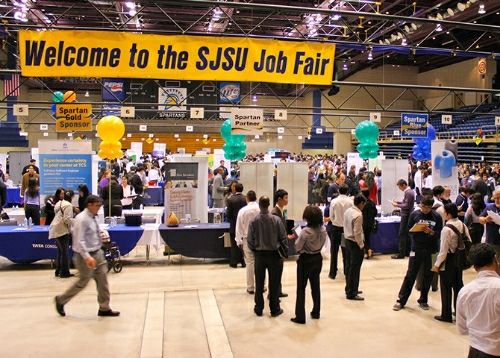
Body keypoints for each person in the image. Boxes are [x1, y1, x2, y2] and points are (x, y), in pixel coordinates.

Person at [54, 195, 120, 318]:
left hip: (97, 253)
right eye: (97, 205)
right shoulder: (81, 219)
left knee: (102, 281)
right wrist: (87, 257)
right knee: (82, 282)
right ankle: (61, 300)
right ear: (89, 205)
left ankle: (104, 308)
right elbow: (79, 241)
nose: (99, 208)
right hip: (84, 256)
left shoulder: (93, 217)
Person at [393, 196, 443, 312]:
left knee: (428, 275)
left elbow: (440, 233)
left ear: (431, 207)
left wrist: (431, 232)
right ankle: (401, 300)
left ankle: (423, 299)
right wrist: (417, 231)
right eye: (423, 206)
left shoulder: (436, 216)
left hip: (431, 249)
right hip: (416, 248)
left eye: (427, 207)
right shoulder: (415, 215)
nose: (425, 209)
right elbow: (408, 229)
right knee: (410, 274)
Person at [456, 243, 500, 358]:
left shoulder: (465, 292)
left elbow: (462, 329)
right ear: (495, 259)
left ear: (474, 267)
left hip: (475, 351)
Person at [247, 196, 287, 318]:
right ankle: (274, 309)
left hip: (259, 255)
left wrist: (255, 251)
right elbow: (283, 237)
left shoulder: (253, 221)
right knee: (274, 283)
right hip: (274, 255)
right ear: (269, 204)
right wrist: (284, 251)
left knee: (259, 283)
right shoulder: (276, 220)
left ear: (259, 205)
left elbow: (250, 241)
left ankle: (259, 308)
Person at [432, 203, 471, 323]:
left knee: (446, 288)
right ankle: (459, 313)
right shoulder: (462, 225)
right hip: (459, 260)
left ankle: (446, 315)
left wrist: (437, 265)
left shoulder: (446, 229)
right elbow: (469, 240)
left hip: (448, 260)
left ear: (448, 214)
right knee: (458, 287)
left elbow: (443, 251)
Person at [291, 205, 327, 324]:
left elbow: (297, 247)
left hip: (305, 260)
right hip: (317, 258)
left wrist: (296, 237)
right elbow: (322, 244)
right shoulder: (323, 230)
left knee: (301, 288)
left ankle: (300, 316)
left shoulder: (305, 232)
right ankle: (316, 312)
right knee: (315, 286)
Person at [235, 190, 261, 294]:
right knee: (261, 263)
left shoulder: (242, 211)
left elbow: (239, 227)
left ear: (247, 198)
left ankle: (250, 287)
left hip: (247, 239)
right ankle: (263, 286)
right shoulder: (261, 209)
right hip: (260, 239)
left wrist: (238, 240)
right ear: (256, 198)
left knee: (250, 263)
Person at [343, 194, 366, 301]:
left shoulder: (348, 211)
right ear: (361, 203)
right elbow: (357, 233)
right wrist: (361, 245)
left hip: (347, 241)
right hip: (355, 243)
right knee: (355, 269)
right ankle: (352, 292)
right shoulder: (358, 215)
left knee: (349, 267)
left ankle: (350, 288)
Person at [271, 189, 293, 298]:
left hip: (280, 245)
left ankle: (277, 291)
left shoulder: (281, 211)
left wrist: (287, 235)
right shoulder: (275, 213)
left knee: (278, 272)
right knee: (276, 272)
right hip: (277, 248)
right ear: (279, 199)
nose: (287, 200)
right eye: (285, 198)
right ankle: (273, 293)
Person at [328, 184, 353, 279]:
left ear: (339, 191)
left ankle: (332, 273)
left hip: (336, 228)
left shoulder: (334, 201)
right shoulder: (351, 201)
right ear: (347, 191)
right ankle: (347, 272)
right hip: (346, 229)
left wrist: (335, 222)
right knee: (346, 252)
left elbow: (331, 216)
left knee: (334, 252)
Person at [49, 189, 75, 278]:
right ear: (71, 197)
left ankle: (58, 270)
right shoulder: (68, 205)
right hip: (62, 230)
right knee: (65, 253)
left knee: (60, 252)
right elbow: (67, 219)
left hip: (55, 228)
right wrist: (76, 222)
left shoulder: (59, 203)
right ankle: (64, 272)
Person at [391, 179, 415, 259]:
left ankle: (401, 253)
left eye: (400, 187)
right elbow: (405, 203)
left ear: (403, 185)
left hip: (406, 215)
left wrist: (397, 205)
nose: (400, 189)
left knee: (402, 233)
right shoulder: (410, 192)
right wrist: (398, 202)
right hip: (407, 214)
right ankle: (407, 252)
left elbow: (407, 206)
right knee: (407, 234)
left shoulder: (408, 192)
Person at [226, 182, 247, 268]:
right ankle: (243, 261)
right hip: (244, 224)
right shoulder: (245, 198)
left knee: (234, 244)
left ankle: (234, 262)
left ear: (235, 189)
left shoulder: (230, 199)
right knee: (243, 243)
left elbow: (229, 214)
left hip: (234, 224)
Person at [479, 189, 500, 260]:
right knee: (491, 261)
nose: (497, 200)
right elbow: (480, 219)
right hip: (491, 240)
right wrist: (485, 219)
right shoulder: (490, 207)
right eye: (495, 198)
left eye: (499, 198)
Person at [360, 184, 377, 259]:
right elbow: (375, 213)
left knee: (364, 238)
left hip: (363, 223)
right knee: (367, 237)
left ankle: (367, 251)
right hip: (370, 223)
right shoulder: (372, 202)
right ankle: (368, 250)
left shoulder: (362, 204)